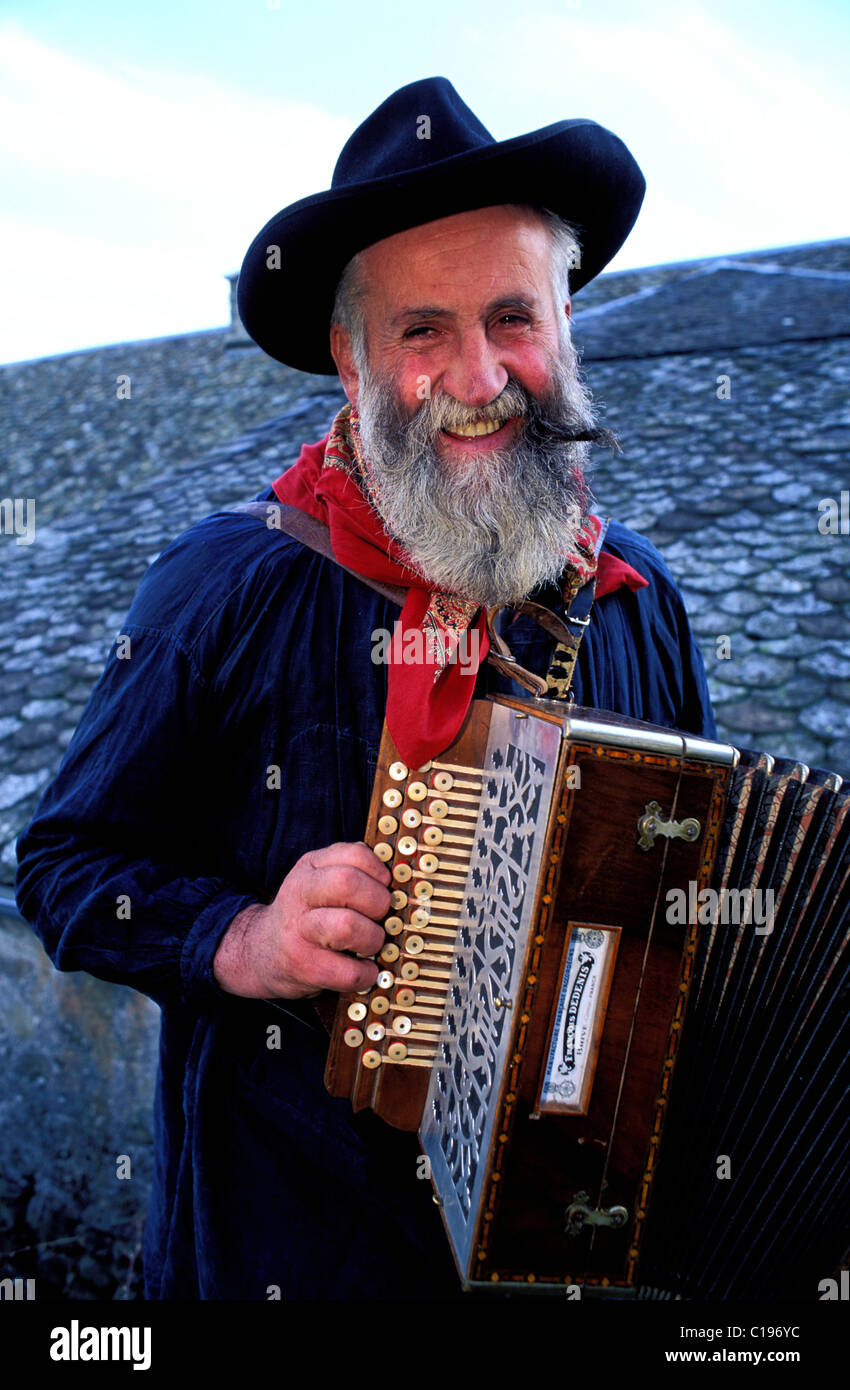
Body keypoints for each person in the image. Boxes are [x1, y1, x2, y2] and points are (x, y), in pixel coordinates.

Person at [16, 77, 716, 1300]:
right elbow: (67, 864)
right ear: (349, 357)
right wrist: (244, 937)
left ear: (566, 324)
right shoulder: (226, 585)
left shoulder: (638, 598)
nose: (480, 374)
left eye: (513, 318)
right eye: (421, 332)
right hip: (290, 1245)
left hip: (576, 1256)